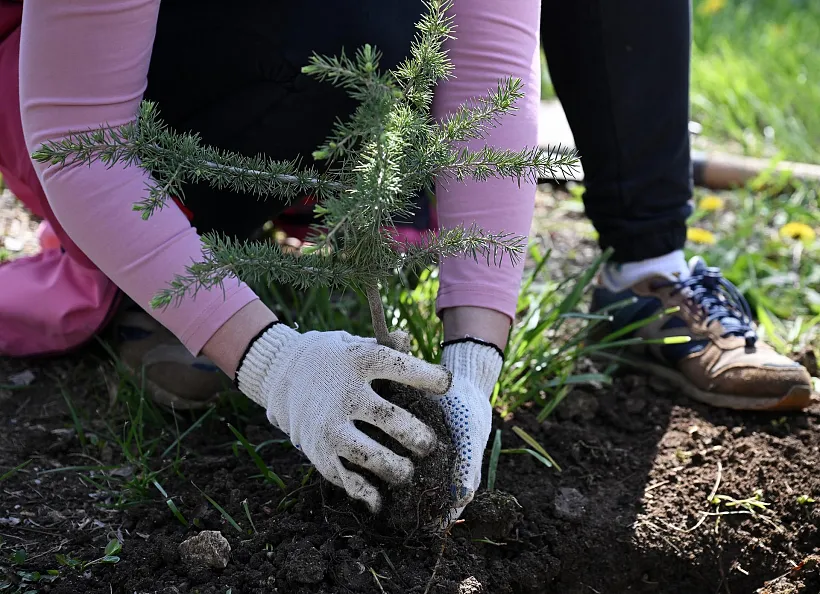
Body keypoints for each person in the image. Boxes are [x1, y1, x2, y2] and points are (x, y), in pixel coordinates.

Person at [0, 0, 811, 520]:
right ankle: (187, 261)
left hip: (342, 97)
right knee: (334, 26)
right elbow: (82, 141)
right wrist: (273, 361)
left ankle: (647, 269)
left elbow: (489, 76)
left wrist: (473, 364)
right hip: (151, 101)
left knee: (380, 32)